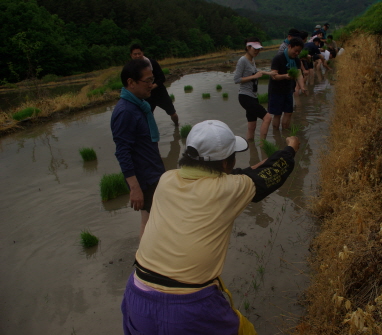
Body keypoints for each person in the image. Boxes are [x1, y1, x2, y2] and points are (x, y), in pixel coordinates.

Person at [121, 119, 301, 335]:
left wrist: (247, 169)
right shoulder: (231, 188)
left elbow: (226, 178)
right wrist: (291, 148)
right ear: (226, 163)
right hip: (188, 306)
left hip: (136, 294)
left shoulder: (167, 179)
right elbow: (271, 174)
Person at [111, 59, 165, 238]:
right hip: (145, 178)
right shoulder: (125, 111)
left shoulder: (139, 105)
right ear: (131, 82)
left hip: (153, 171)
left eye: (152, 79)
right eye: (147, 81)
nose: (151, 85)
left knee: (150, 218)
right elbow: (122, 152)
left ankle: (147, 259)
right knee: (151, 221)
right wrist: (134, 188)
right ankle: (144, 261)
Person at [234, 37, 275, 141]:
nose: (257, 51)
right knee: (267, 118)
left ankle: (251, 150)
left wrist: (269, 73)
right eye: (255, 49)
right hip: (245, 96)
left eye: (258, 49)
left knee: (252, 127)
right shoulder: (242, 60)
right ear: (248, 47)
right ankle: (263, 146)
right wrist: (253, 77)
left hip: (253, 96)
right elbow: (236, 79)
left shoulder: (252, 60)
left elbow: (256, 72)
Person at [130, 44, 179, 126]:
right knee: (147, 117)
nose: (137, 56)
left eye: (139, 53)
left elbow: (162, 78)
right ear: (131, 55)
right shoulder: (131, 68)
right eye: (135, 54)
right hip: (146, 96)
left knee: (172, 113)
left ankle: (177, 127)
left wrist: (152, 86)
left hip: (160, 92)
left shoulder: (152, 63)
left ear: (142, 53)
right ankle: (151, 135)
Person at [268, 37, 307, 130]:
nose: (297, 53)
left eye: (299, 51)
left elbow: (299, 74)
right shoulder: (278, 58)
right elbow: (274, 75)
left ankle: (285, 134)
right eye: (295, 50)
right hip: (276, 90)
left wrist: (302, 87)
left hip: (288, 90)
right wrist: (285, 76)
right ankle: (276, 134)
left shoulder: (296, 60)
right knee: (277, 114)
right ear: (289, 46)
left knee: (289, 113)